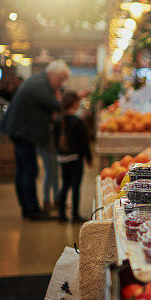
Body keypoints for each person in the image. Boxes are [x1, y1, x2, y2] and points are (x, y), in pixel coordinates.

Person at [0, 60, 70, 220]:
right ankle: (32, 210)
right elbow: (56, 105)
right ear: (51, 74)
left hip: (20, 130)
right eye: (60, 80)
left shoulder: (39, 81)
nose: (60, 84)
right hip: (23, 132)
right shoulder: (38, 84)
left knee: (24, 170)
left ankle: (28, 208)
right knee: (29, 171)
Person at [54, 92, 91, 223]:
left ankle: (61, 215)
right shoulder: (77, 121)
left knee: (64, 185)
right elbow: (84, 142)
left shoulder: (59, 120)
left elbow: (55, 139)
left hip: (63, 158)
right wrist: (88, 158)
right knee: (75, 186)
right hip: (75, 158)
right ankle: (75, 215)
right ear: (75, 103)